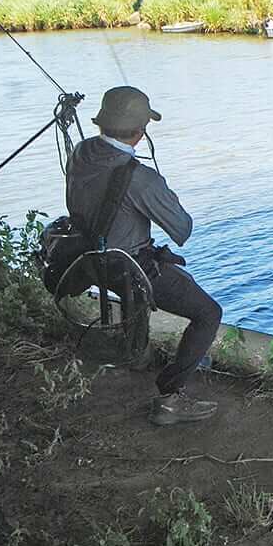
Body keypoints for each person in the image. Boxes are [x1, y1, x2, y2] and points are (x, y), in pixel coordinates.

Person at [65, 85, 222, 426]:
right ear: (141, 130)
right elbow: (183, 229)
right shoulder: (141, 178)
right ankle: (170, 397)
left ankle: (138, 354)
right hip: (127, 268)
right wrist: (162, 192)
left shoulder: (81, 152)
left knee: (150, 278)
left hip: (87, 261)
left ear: (102, 122)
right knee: (209, 313)